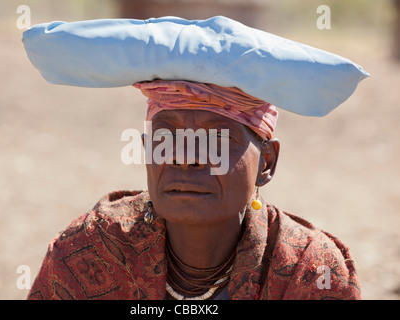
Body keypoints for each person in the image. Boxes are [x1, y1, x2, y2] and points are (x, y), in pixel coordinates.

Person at [22, 16, 368, 300]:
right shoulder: (91, 249)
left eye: (216, 139)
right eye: (166, 136)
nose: (185, 158)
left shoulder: (307, 270)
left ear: (266, 163)